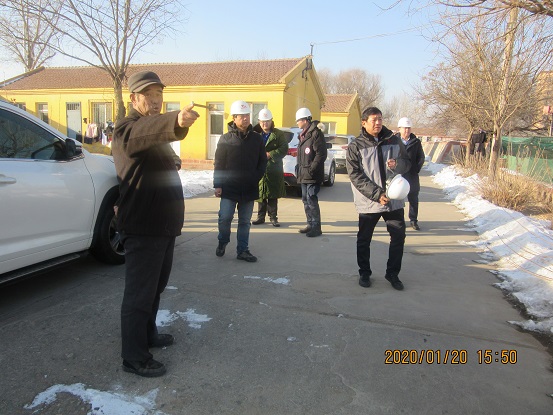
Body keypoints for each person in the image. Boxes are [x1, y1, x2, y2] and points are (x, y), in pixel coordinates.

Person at [111, 70, 199, 377]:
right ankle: (134, 357)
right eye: (148, 95)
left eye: (159, 94)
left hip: (162, 225)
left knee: (154, 289)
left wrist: (174, 134)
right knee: (139, 294)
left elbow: (157, 140)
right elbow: (145, 132)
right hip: (143, 226)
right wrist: (176, 120)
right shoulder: (126, 129)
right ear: (133, 99)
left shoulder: (150, 132)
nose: (155, 100)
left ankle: (147, 335)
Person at [346, 107, 411, 290]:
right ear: (364, 122)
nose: (378, 123)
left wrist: (398, 164)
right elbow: (355, 175)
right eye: (374, 120)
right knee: (364, 239)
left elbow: (407, 163)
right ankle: (364, 273)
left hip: (394, 201)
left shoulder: (393, 140)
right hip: (369, 202)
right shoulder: (356, 146)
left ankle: (393, 274)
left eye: (380, 119)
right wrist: (377, 194)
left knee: (398, 237)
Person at [214, 100, 267, 262]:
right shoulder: (225, 139)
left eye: (247, 115)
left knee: (244, 221)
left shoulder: (256, 139)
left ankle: (243, 250)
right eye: (242, 116)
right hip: (229, 187)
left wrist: (255, 177)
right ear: (234, 118)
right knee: (225, 218)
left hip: (249, 187)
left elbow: (262, 161)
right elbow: (219, 163)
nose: (245, 119)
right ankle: (223, 241)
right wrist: (218, 184)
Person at [252, 108, 288, 227]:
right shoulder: (255, 135)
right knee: (260, 193)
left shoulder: (278, 134)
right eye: (262, 121)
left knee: (272, 194)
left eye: (267, 121)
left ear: (271, 121)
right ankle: (260, 217)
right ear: (259, 121)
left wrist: (270, 154)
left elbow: (284, 148)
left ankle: (273, 217)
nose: (265, 124)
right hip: (259, 168)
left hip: (273, 168)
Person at [295, 107, 327, 238]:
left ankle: (316, 227)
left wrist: (312, 169)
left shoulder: (316, 134)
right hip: (304, 173)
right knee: (305, 199)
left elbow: (321, 154)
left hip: (312, 174)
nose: (297, 123)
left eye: (298, 120)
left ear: (305, 120)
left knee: (311, 199)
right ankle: (310, 224)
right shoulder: (303, 135)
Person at [396, 117, 425, 231]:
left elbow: (421, 157)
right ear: (399, 129)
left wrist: (416, 169)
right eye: (404, 128)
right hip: (398, 174)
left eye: (408, 128)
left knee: (413, 199)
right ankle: (398, 220)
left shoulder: (416, 142)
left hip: (412, 175)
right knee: (398, 198)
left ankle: (413, 220)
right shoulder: (394, 141)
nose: (406, 130)